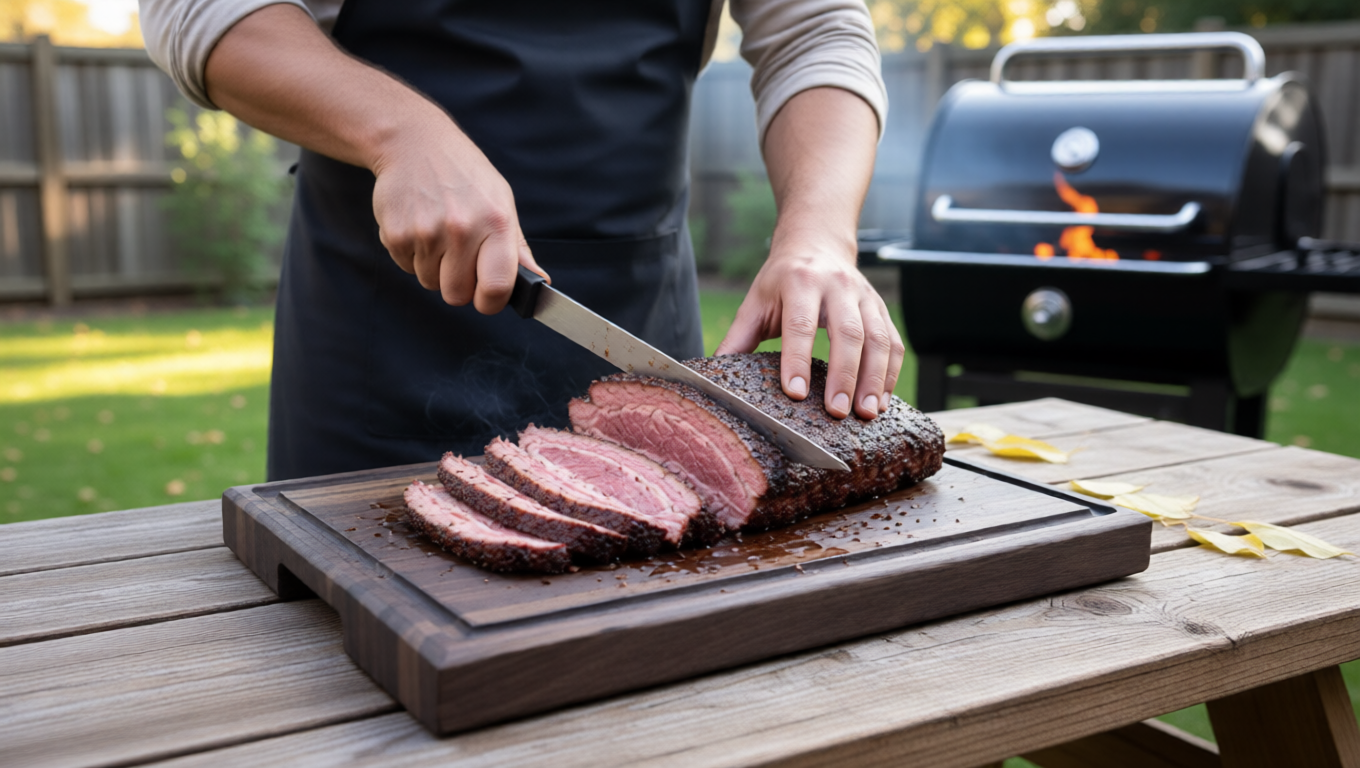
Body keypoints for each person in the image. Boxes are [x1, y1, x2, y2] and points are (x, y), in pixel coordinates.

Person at [140, 0, 904, 481]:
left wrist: (818, 234)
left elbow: (816, 32)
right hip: (383, 339)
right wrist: (400, 133)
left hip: (636, 321)